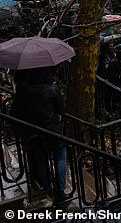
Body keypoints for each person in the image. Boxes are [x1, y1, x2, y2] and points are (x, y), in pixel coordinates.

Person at [11, 67, 69, 204]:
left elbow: (15, 111)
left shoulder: (22, 90)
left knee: (40, 158)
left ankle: (47, 187)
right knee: (60, 156)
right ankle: (60, 189)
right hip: (52, 131)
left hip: (33, 132)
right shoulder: (52, 89)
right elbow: (61, 110)